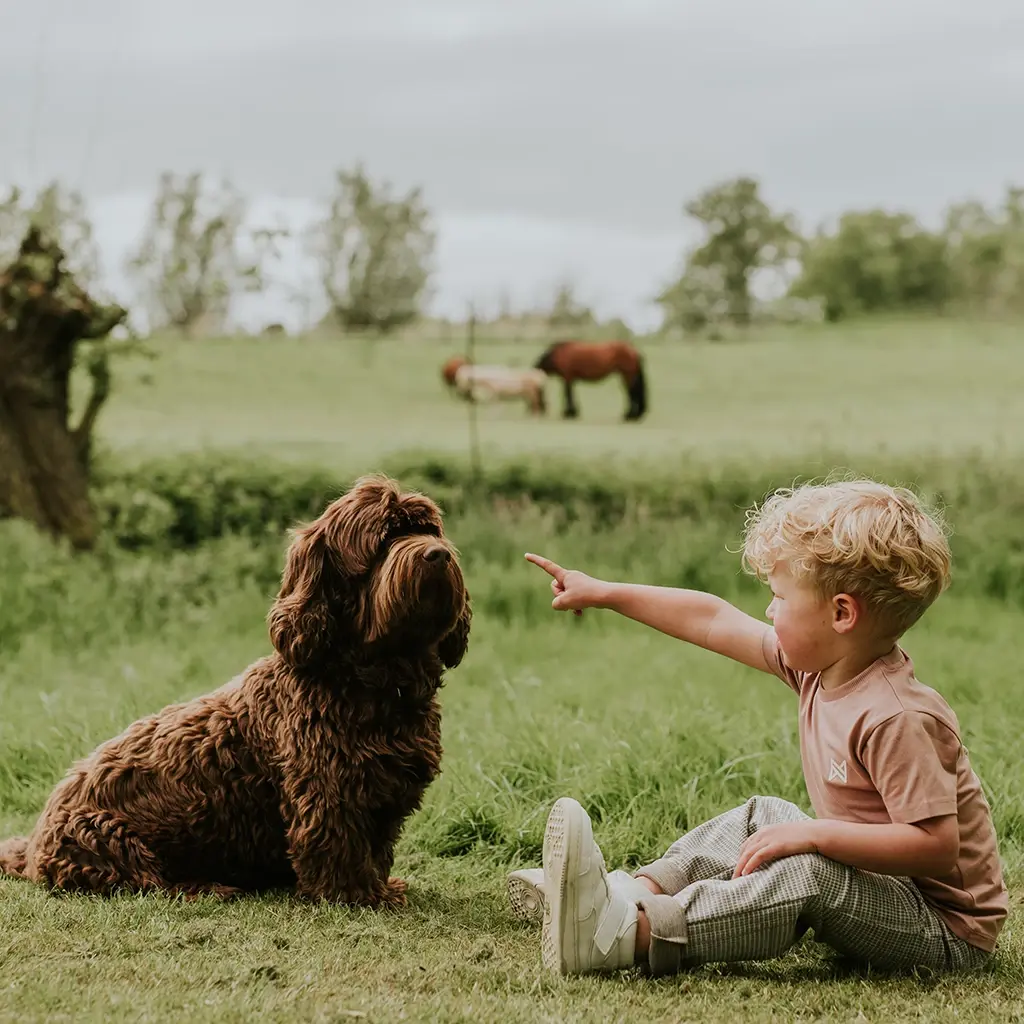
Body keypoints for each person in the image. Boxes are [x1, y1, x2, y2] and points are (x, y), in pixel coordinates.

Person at [506, 479, 1008, 977]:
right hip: (883, 890)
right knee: (766, 814)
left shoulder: (898, 718)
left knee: (809, 871)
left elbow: (936, 847)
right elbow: (712, 619)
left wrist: (816, 834)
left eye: (780, 597)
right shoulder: (823, 667)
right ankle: (625, 897)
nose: (768, 610)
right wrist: (607, 592)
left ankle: (620, 936)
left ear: (840, 614)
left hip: (943, 930)